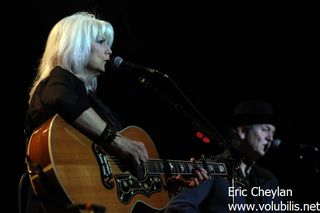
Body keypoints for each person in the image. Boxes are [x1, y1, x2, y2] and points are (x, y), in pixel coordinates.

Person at [23, 11, 207, 213]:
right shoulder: (58, 81)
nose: (109, 51)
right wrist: (117, 140)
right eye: (101, 42)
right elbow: (60, 98)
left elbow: (121, 174)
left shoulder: (91, 100)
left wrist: (169, 183)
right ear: (77, 44)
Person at [165, 100, 284, 213]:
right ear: (242, 131)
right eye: (265, 130)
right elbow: (179, 207)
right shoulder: (211, 168)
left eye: (273, 133)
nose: (270, 138)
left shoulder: (269, 180)